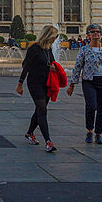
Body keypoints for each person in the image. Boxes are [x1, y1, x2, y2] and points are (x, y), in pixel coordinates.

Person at [16, 25, 60, 153]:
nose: (56, 39)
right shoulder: (34, 49)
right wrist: (20, 83)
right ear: (48, 36)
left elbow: (51, 63)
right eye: (55, 36)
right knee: (42, 109)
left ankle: (29, 133)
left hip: (46, 82)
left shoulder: (48, 49)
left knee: (40, 110)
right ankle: (48, 141)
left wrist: (53, 68)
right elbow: (26, 67)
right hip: (34, 83)